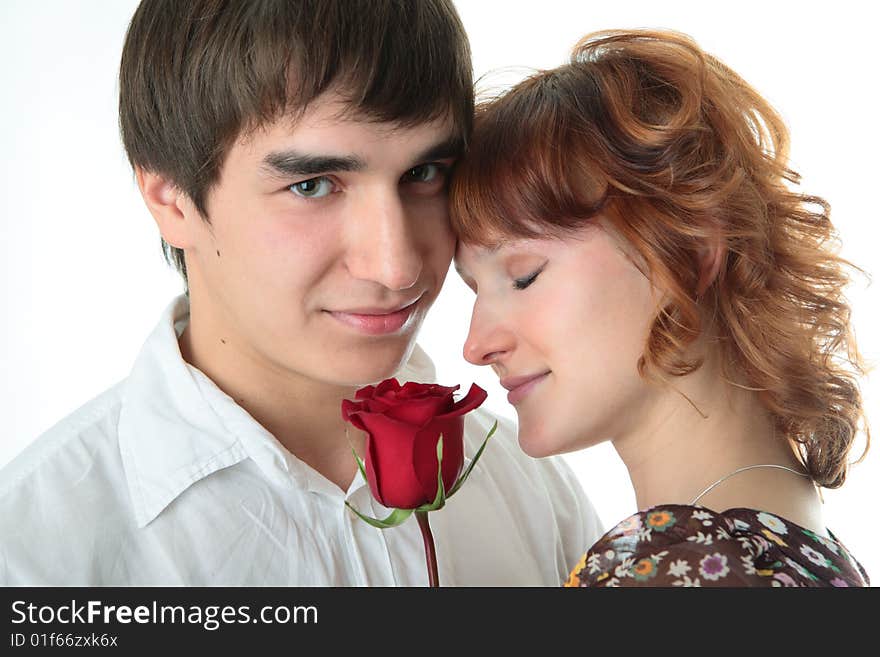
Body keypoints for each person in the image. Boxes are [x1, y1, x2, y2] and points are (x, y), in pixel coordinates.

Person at [0, 0, 602, 586]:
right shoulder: (37, 552)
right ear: (171, 198)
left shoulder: (529, 488)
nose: (396, 267)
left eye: (424, 174)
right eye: (313, 185)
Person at [450, 29, 870, 587]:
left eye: (524, 277)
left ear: (689, 251)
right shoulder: (795, 546)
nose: (476, 345)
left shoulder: (677, 571)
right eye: (473, 289)